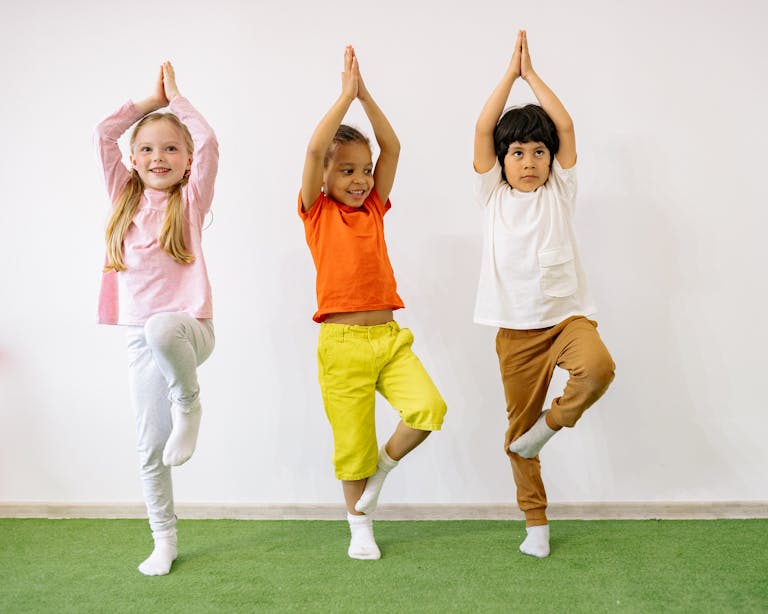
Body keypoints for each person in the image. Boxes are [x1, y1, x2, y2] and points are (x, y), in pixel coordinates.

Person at [300, 46, 446, 560]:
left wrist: (364, 95)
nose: (360, 180)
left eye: (365, 171)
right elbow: (317, 149)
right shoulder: (316, 213)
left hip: (388, 339)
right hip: (341, 345)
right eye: (347, 172)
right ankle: (359, 525)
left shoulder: (375, 210)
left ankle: (382, 471)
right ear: (325, 178)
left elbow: (392, 144)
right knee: (353, 445)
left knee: (429, 409)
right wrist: (343, 98)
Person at [473, 30, 615, 558]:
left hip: (567, 319)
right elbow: (485, 127)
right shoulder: (492, 197)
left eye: (538, 152)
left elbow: (567, 125)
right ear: (501, 161)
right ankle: (536, 524)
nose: (529, 160)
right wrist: (509, 77)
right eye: (517, 153)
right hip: (515, 331)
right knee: (517, 433)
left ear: (552, 161)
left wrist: (533, 77)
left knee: (598, 368)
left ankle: (551, 424)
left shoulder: (561, 190)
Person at [94, 62, 218, 575]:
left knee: (161, 325)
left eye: (170, 148)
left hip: (190, 332)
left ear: (187, 162)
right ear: (131, 160)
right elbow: (103, 133)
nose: (158, 156)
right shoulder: (123, 197)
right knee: (150, 447)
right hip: (141, 340)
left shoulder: (189, 202)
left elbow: (209, 140)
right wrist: (148, 104)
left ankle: (190, 404)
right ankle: (163, 539)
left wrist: (177, 100)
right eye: (147, 148)